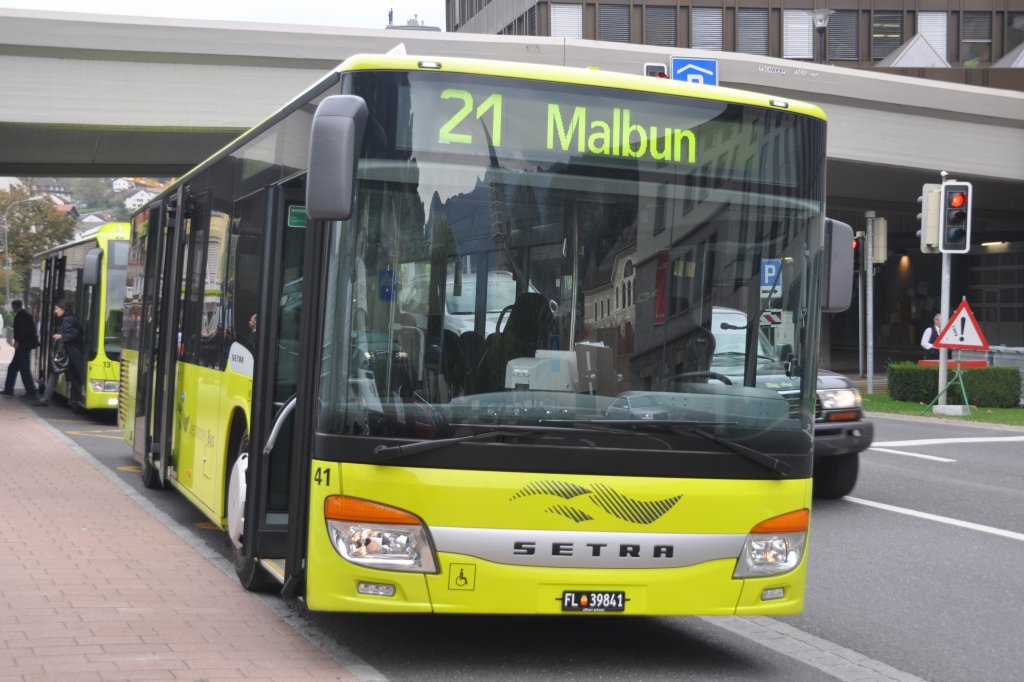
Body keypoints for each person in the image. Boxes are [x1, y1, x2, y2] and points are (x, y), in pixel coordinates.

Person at [33, 298, 84, 407]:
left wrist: (62, 336)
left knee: (58, 374)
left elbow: (76, 334)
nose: (55, 311)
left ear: (63, 309)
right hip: (70, 354)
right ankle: (75, 401)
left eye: (57, 309)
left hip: (69, 354)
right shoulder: (70, 318)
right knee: (69, 377)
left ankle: (47, 399)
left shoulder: (67, 320)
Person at [2, 300, 39, 398]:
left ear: (14, 306)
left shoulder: (21, 316)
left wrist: (17, 341)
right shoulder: (26, 315)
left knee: (24, 369)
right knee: (13, 367)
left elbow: (23, 332)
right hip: (25, 345)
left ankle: (31, 391)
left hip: (23, 346)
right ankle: (9, 389)